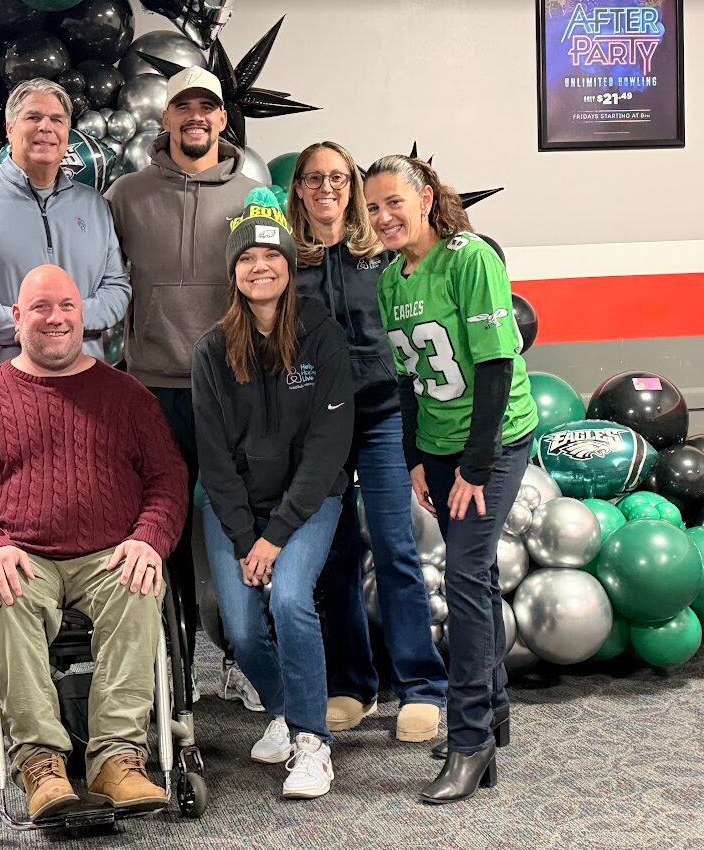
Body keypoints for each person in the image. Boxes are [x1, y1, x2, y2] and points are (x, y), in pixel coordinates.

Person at [0, 264, 187, 820]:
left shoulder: (128, 397)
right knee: (3, 591)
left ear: (83, 315)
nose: (56, 318)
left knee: (140, 582)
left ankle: (118, 759)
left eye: (67, 306)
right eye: (41, 307)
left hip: (109, 552)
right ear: (18, 318)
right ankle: (40, 763)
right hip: (21, 554)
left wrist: (148, 539)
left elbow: (168, 481)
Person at [365, 156, 537, 804]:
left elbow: (495, 367)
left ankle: (469, 741)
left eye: (392, 203)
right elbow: (409, 380)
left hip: (493, 436)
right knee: (479, 577)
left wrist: (472, 467)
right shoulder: (389, 280)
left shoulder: (468, 258)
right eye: (373, 207)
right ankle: (492, 715)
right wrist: (414, 455)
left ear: (425, 197)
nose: (382, 217)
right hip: (437, 439)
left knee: (464, 577)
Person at [192, 189, 354, 799]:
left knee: (288, 600)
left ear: (288, 264)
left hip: (309, 502)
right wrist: (244, 538)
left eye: (272, 256)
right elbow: (215, 459)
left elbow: (327, 446)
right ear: (233, 273)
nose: (260, 267)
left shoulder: (321, 334)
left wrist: (276, 536)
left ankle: (313, 744)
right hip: (235, 509)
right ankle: (287, 710)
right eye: (247, 259)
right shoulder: (212, 350)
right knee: (241, 626)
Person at [106, 66, 259, 696]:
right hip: (152, 391)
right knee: (160, 537)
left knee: (241, 528)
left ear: (223, 120)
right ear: (165, 119)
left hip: (231, 389)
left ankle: (249, 661)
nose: (195, 117)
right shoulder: (125, 196)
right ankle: (173, 668)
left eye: (207, 107)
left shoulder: (253, 196)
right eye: (182, 107)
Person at [288, 141, 447, 741]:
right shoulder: (286, 258)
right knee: (335, 558)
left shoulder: (381, 251)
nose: (326, 187)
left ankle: (422, 687)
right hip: (319, 429)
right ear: (299, 189)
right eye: (314, 178)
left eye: (337, 177)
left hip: (382, 418)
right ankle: (354, 686)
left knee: (394, 546)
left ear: (351, 187)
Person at [0, 78, 130, 386]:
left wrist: (67, 323)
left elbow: (117, 288)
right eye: (33, 117)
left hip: (84, 389)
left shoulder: (93, 205)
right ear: (10, 129)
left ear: (67, 132)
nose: (45, 127)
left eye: (57, 120)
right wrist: (26, 324)